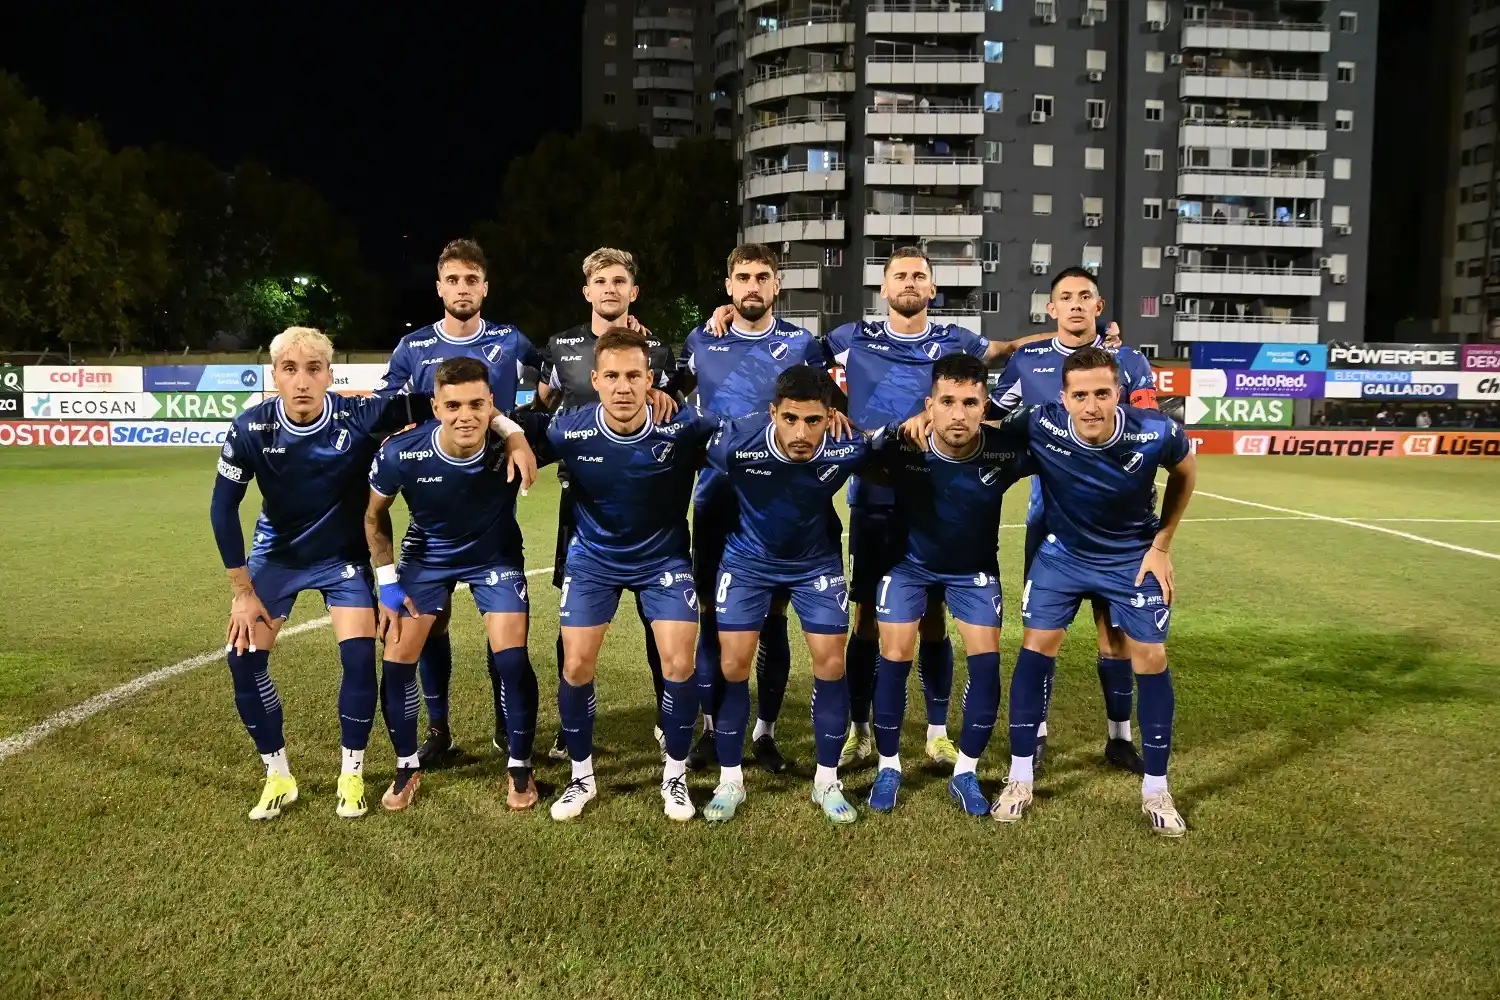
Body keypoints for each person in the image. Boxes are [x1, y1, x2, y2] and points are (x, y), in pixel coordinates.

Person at [705, 247, 1057, 769]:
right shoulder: (852, 337)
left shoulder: (955, 339)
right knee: (867, 616)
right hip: (873, 494)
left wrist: (1073, 340)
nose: (910, 283)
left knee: (934, 618)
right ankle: (859, 728)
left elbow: (1007, 349)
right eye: (900, 275)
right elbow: (795, 363)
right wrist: (730, 315)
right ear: (884, 288)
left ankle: (936, 731)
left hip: (934, 491)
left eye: (919, 275)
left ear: (932, 289)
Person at [209, 327, 531, 821]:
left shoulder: (361, 415)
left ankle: (352, 773)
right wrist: (241, 590)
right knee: (243, 660)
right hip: (277, 558)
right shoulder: (250, 428)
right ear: (273, 375)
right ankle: (277, 774)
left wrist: (512, 432)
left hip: (345, 561)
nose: (301, 382)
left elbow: (451, 401)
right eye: (289, 370)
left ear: (329, 375)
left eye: (313, 369)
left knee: (361, 658)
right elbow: (222, 510)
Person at [970, 346, 1196, 836]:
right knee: (1035, 651)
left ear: (1118, 392)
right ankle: (1020, 777)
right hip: (1062, 558)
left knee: (1151, 659)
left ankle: (1156, 788)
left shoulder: (1156, 431)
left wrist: (1162, 543)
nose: (1091, 405)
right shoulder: (1039, 421)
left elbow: (1185, 470)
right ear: (1064, 397)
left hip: (1130, 561)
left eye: (1101, 393)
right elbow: (978, 426)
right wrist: (924, 422)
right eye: (1080, 395)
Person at [373, 238, 546, 769]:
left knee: (506, 634)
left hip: (490, 497)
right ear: (441, 287)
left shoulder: (510, 340)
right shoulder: (413, 347)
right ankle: (438, 726)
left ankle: (506, 725)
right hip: (434, 506)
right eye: (453, 279)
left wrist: (514, 431)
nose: (462, 288)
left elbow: (555, 383)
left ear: (484, 287)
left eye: (472, 280)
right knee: (433, 624)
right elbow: (391, 409)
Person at [545, 328, 721, 822]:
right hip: (593, 560)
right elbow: (512, 433)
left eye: (634, 377)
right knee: (576, 665)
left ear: (651, 380)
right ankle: (581, 777)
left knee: (678, 664)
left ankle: (675, 777)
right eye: (614, 377)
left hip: (663, 560)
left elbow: (744, 436)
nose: (623, 387)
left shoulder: (685, 426)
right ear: (596, 379)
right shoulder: (568, 431)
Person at [989, 266, 1157, 774]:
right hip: (1050, 515)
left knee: (1115, 630)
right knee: (1042, 631)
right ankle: (1035, 735)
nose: (1077, 304)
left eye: (1086, 296)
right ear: (1052, 309)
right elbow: (993, 418)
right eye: (1066, 297)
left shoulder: (1128, 362)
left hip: (1120, 521)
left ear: (1099, 307)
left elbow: (1151, 425)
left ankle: (1119, 736)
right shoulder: (1028, 361)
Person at [364, 357, 546, 812]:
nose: (465, 416)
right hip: (427, 559)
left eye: (475, 404)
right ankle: (410, 763)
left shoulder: (512, 441)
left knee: (513, 658)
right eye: (452, 406)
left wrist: (518, 436)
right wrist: (387, 585)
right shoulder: (401, 452)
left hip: (495, 558)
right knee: (398, 657)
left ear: (492, 406)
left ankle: (520, 765)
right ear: (435, 407)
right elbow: (373, 515)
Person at [678, 243, 831, 776]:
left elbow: (832, 401)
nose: (752, 287)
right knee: (712, 615)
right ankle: (711, 729)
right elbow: (672, 394)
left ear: (776, 285)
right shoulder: (702, 339)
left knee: (774, 618)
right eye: (742, 277)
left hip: (784, 500)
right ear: (728, 286)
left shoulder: (802, 344)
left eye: (762, 277)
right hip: (718, 494)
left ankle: (764, 733)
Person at [865, 354, 1033, 816]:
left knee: (986, 665)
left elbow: (1066, 449)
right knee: (894, 655)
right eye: (947, 402)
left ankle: (965, 772)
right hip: (906, 566)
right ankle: (888, 765)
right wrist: (899, 427)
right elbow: (854, 451)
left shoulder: (1004, 450)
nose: (958, 414)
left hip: (973, 570)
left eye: (970, 403)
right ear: (929, 405)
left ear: (985, 407)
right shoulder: (904, 445)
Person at [534, 247, 680, 764]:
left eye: (621, 281)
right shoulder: (562, 346)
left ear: (633, 291)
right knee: (574, 620)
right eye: (602, 281)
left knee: (655, 615)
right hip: (582, 497)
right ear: (588, 291)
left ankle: (668, 718)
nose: (611, 289)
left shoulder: (657, 350)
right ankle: (566, 725)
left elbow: (676, 403)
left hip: (645, 495)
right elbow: (541, 406)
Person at [700, 366, 865, 825]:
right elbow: (686, 458)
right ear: (772, 412)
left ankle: (826, 780)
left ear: (829, 417)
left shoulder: (847, 445)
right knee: (734, 665)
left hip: (814, 563)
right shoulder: (735, 442)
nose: (801, 432)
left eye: (813, 421)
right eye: (790, 418)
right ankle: (730, 779)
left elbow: (893, 444)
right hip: (747, 562)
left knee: (831, 664)